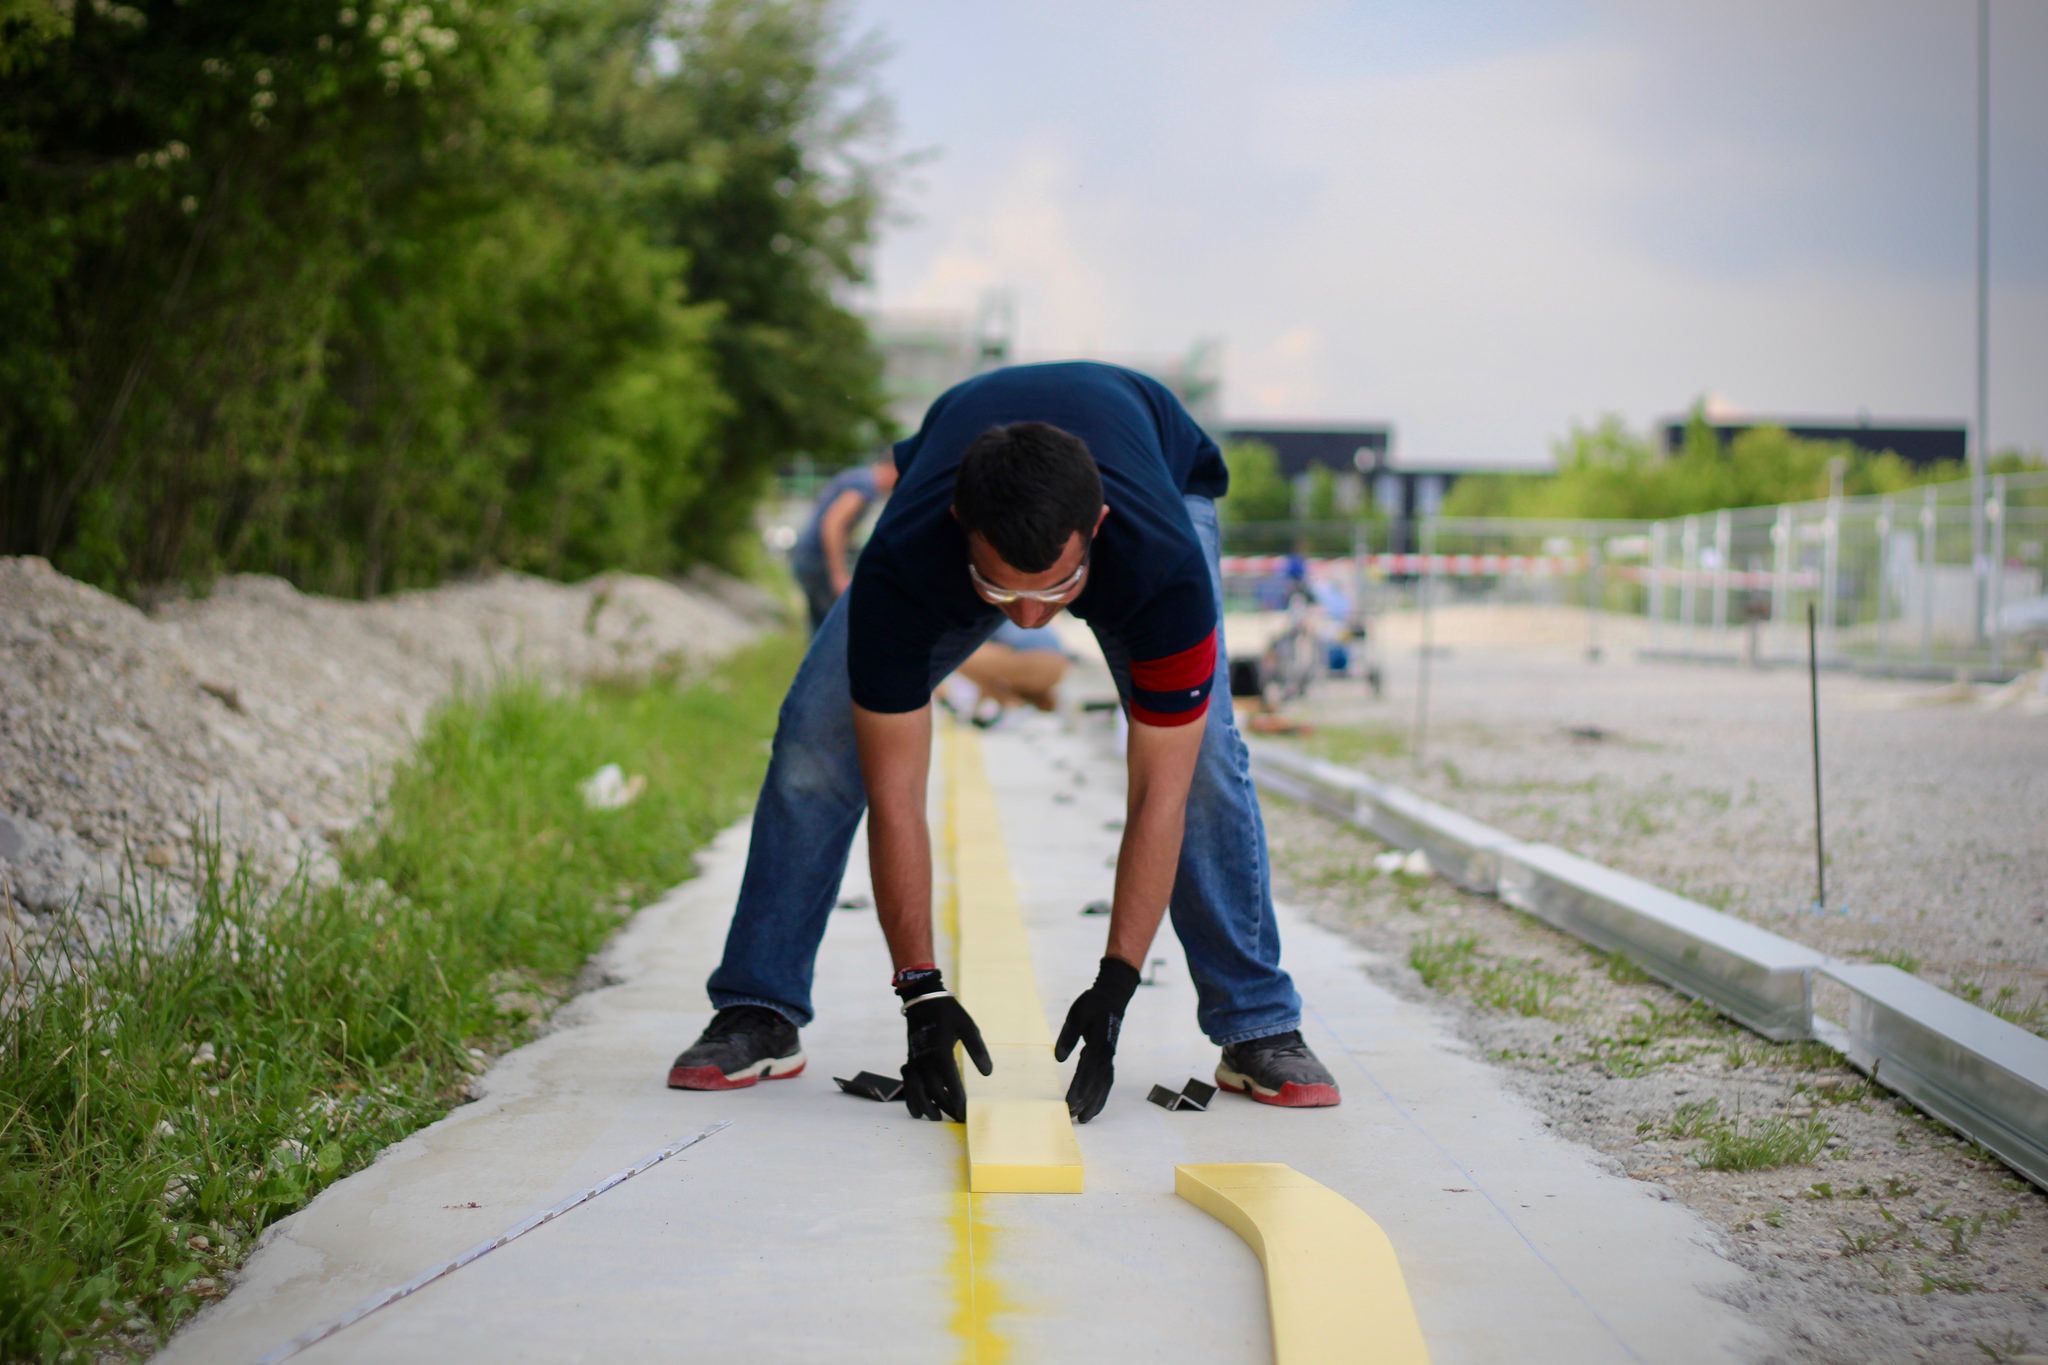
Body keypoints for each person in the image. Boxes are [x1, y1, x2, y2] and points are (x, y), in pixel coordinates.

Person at [667, 361, 1340, 1122]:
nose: (1026, 619)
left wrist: (1116, 983)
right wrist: (920, 991)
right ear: (960, 526)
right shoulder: (904, 565)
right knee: (813, 744)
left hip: (1159, 466)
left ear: (1097, 529)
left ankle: (1256, 1021)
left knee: (1206, 760)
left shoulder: (1162, 564)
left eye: (1055, 589)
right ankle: (758, 1006)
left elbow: (1162, 793)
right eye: (998, 590)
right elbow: (897, 797)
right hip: (960, 483)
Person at [789, 458, 899, 632]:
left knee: (821, 627)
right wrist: (838, 574)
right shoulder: (864, 485)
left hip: (806, 556)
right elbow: (834, 524)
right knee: (837, 628)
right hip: (817, 560)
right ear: (893, 468)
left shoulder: (858, 476)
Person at [947, 619, 1069, 723]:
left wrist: (995, 695)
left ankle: (1006, 703)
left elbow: (980, 665)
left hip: (1032, 659)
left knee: (954, 653)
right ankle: (1006, 704)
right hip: (1060, 665)